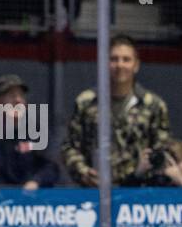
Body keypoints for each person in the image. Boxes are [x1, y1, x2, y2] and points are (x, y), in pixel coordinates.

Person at [63, 35, 170, 187]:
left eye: (126, 59)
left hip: (139, 194)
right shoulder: (86, 102)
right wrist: (83, 172)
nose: (120, 65)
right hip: (95, 192)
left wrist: (143, 170)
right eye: (114, 59)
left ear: (136, 65)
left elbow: (162, 151)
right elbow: (70, 146)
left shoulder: (153, 105)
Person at [0, 74, 59, 189]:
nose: (18, 100)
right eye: (11, 96)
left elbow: (51, 166)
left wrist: (36, 181)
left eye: (21, 96)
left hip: (32, 201)